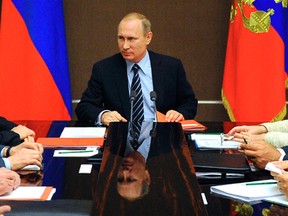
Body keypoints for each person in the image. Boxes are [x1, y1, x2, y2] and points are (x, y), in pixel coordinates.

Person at [76, 12, 198, 126]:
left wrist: (180, 114)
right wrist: (103, 115)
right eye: (121, 38)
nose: (125, 46)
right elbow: (84, 107)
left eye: (131, 39)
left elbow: (189, 102)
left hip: (162, 137)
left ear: (148, 38)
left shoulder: (171, 67)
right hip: (122, 140)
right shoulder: (104, 69)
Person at [117, 122, 152, 200]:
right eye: (130, 179)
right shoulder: (169, 147)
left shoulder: (109, 146)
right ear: (146, 177)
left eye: (120, 179)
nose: (124, 172)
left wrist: (103, 115)